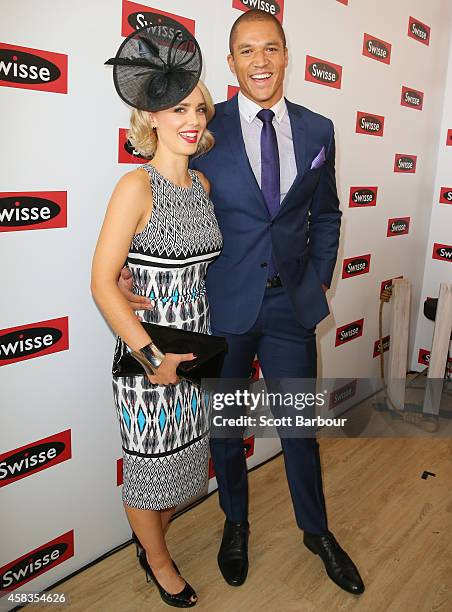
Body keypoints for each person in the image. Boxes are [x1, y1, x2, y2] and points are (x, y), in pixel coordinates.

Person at [119, 10, 365, 595]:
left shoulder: (318, 129)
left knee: (299, 429)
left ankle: (317, 531)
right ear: (230, 63)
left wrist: (320, 278)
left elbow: (326, 212)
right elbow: (171, 193)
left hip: (291, 310)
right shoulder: (205, 126)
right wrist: (131, 263)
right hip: (221, 311)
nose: (260, 61)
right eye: (247, 51)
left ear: (286, 54)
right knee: (227, 430)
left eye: (271, 48)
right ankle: (235, 524)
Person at [91, 26, 222, 607]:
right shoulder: (133, 187)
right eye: (177, 108)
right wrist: (151, 358)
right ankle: (157, 559)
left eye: (199, 107)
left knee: (182, 464)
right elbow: (102, 283)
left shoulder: (203, 184)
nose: (191, 119)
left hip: (192, 347)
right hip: (148, 357)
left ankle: (155, 542)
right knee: (148, 471)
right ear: (151, 118)